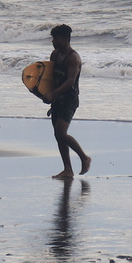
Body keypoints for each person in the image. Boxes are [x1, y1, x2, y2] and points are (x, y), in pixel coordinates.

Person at [42, 24, 91, 179]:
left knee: (61, 133)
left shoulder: (73, 58)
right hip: (57, 99)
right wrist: (49, 97)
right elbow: (51, 78)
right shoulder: (54, 55)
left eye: (55, 38)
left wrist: (53, 94)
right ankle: (68, 170)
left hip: (69, 99)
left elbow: (70, 81)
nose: (53, 41)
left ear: (64, 39)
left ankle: (84, 157)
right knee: (58, 135)